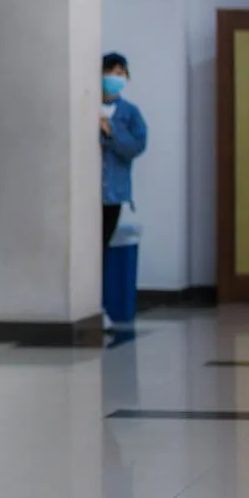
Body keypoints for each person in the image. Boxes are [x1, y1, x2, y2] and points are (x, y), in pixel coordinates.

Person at [100, 52, 147, 326]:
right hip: (86, 194)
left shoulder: (130, 113)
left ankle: (101, 306)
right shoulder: (87, 108)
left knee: (102, 248)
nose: (114, 78)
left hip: (113, 195)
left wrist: (111, 132)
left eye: (120, 74)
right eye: (109, 72)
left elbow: (135, 147)